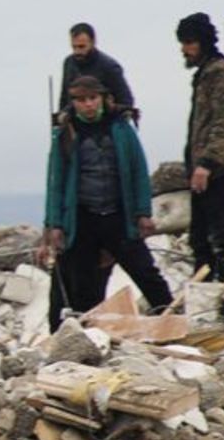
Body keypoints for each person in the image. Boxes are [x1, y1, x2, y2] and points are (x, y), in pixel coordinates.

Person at [40, 76, 172, 327]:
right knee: (84, 285)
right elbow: (55, 183)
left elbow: (137, 170)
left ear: (102, 98)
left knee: (145, 272)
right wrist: (55, 224)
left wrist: (143, 212)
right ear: (73, 103)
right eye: (81, 100)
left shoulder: (121, 129)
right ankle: (87, 336)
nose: (88, 105)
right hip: (83, 217)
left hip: (118, 215)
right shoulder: (65, 134)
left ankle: (171, 317)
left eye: (92, 98)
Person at [176, 12, 224, 281]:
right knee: (200, 237)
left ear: (203, 42)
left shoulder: (220, 72)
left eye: (189, 42)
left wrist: (207, 163)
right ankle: (204, 287)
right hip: (206, 169)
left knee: (220, 234)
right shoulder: (207, 72)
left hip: (220, 170)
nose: (185, 49)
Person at [59, 22, 137, 116]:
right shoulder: (69, 63)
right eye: (74, 47)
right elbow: (64, 98)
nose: (77, 52)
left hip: (105, 125)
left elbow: (126, 101)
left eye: (81, 47)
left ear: (92, 42)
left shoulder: (109, 66)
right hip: (77, 124)